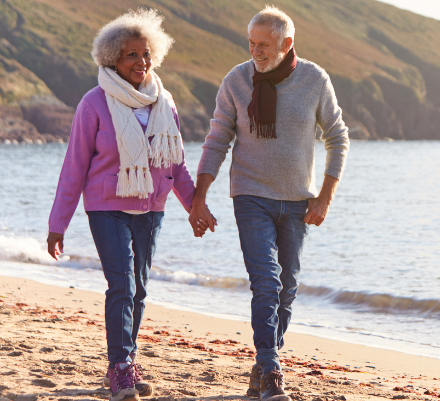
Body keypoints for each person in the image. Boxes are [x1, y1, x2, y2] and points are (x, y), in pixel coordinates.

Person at [46, 8, 211, 401]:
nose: (141, 62)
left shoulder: (164, 102)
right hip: (106, 207)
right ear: (112, 59)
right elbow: (74, 166)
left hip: (151, 209)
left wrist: (194, 208)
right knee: (121, 284)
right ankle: (120, 367)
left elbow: (176, 165)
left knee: (138, 289)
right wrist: (58, 224)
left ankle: (126, 361)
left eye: (146, 54)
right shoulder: (94, 103)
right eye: (131, 55)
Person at [188, 5, 350, 401]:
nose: (256, 52)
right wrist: (199, 197)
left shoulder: (314, 79)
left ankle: (262, 366)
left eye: (265, 45)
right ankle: (273, 370)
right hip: (250, 196)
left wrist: (325, 197)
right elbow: (217, 139)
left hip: (298, 200)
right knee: (267, 280)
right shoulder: (236, 80)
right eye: (251, 43)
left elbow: (338, 137)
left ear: (287, 43)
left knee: (288, 287)